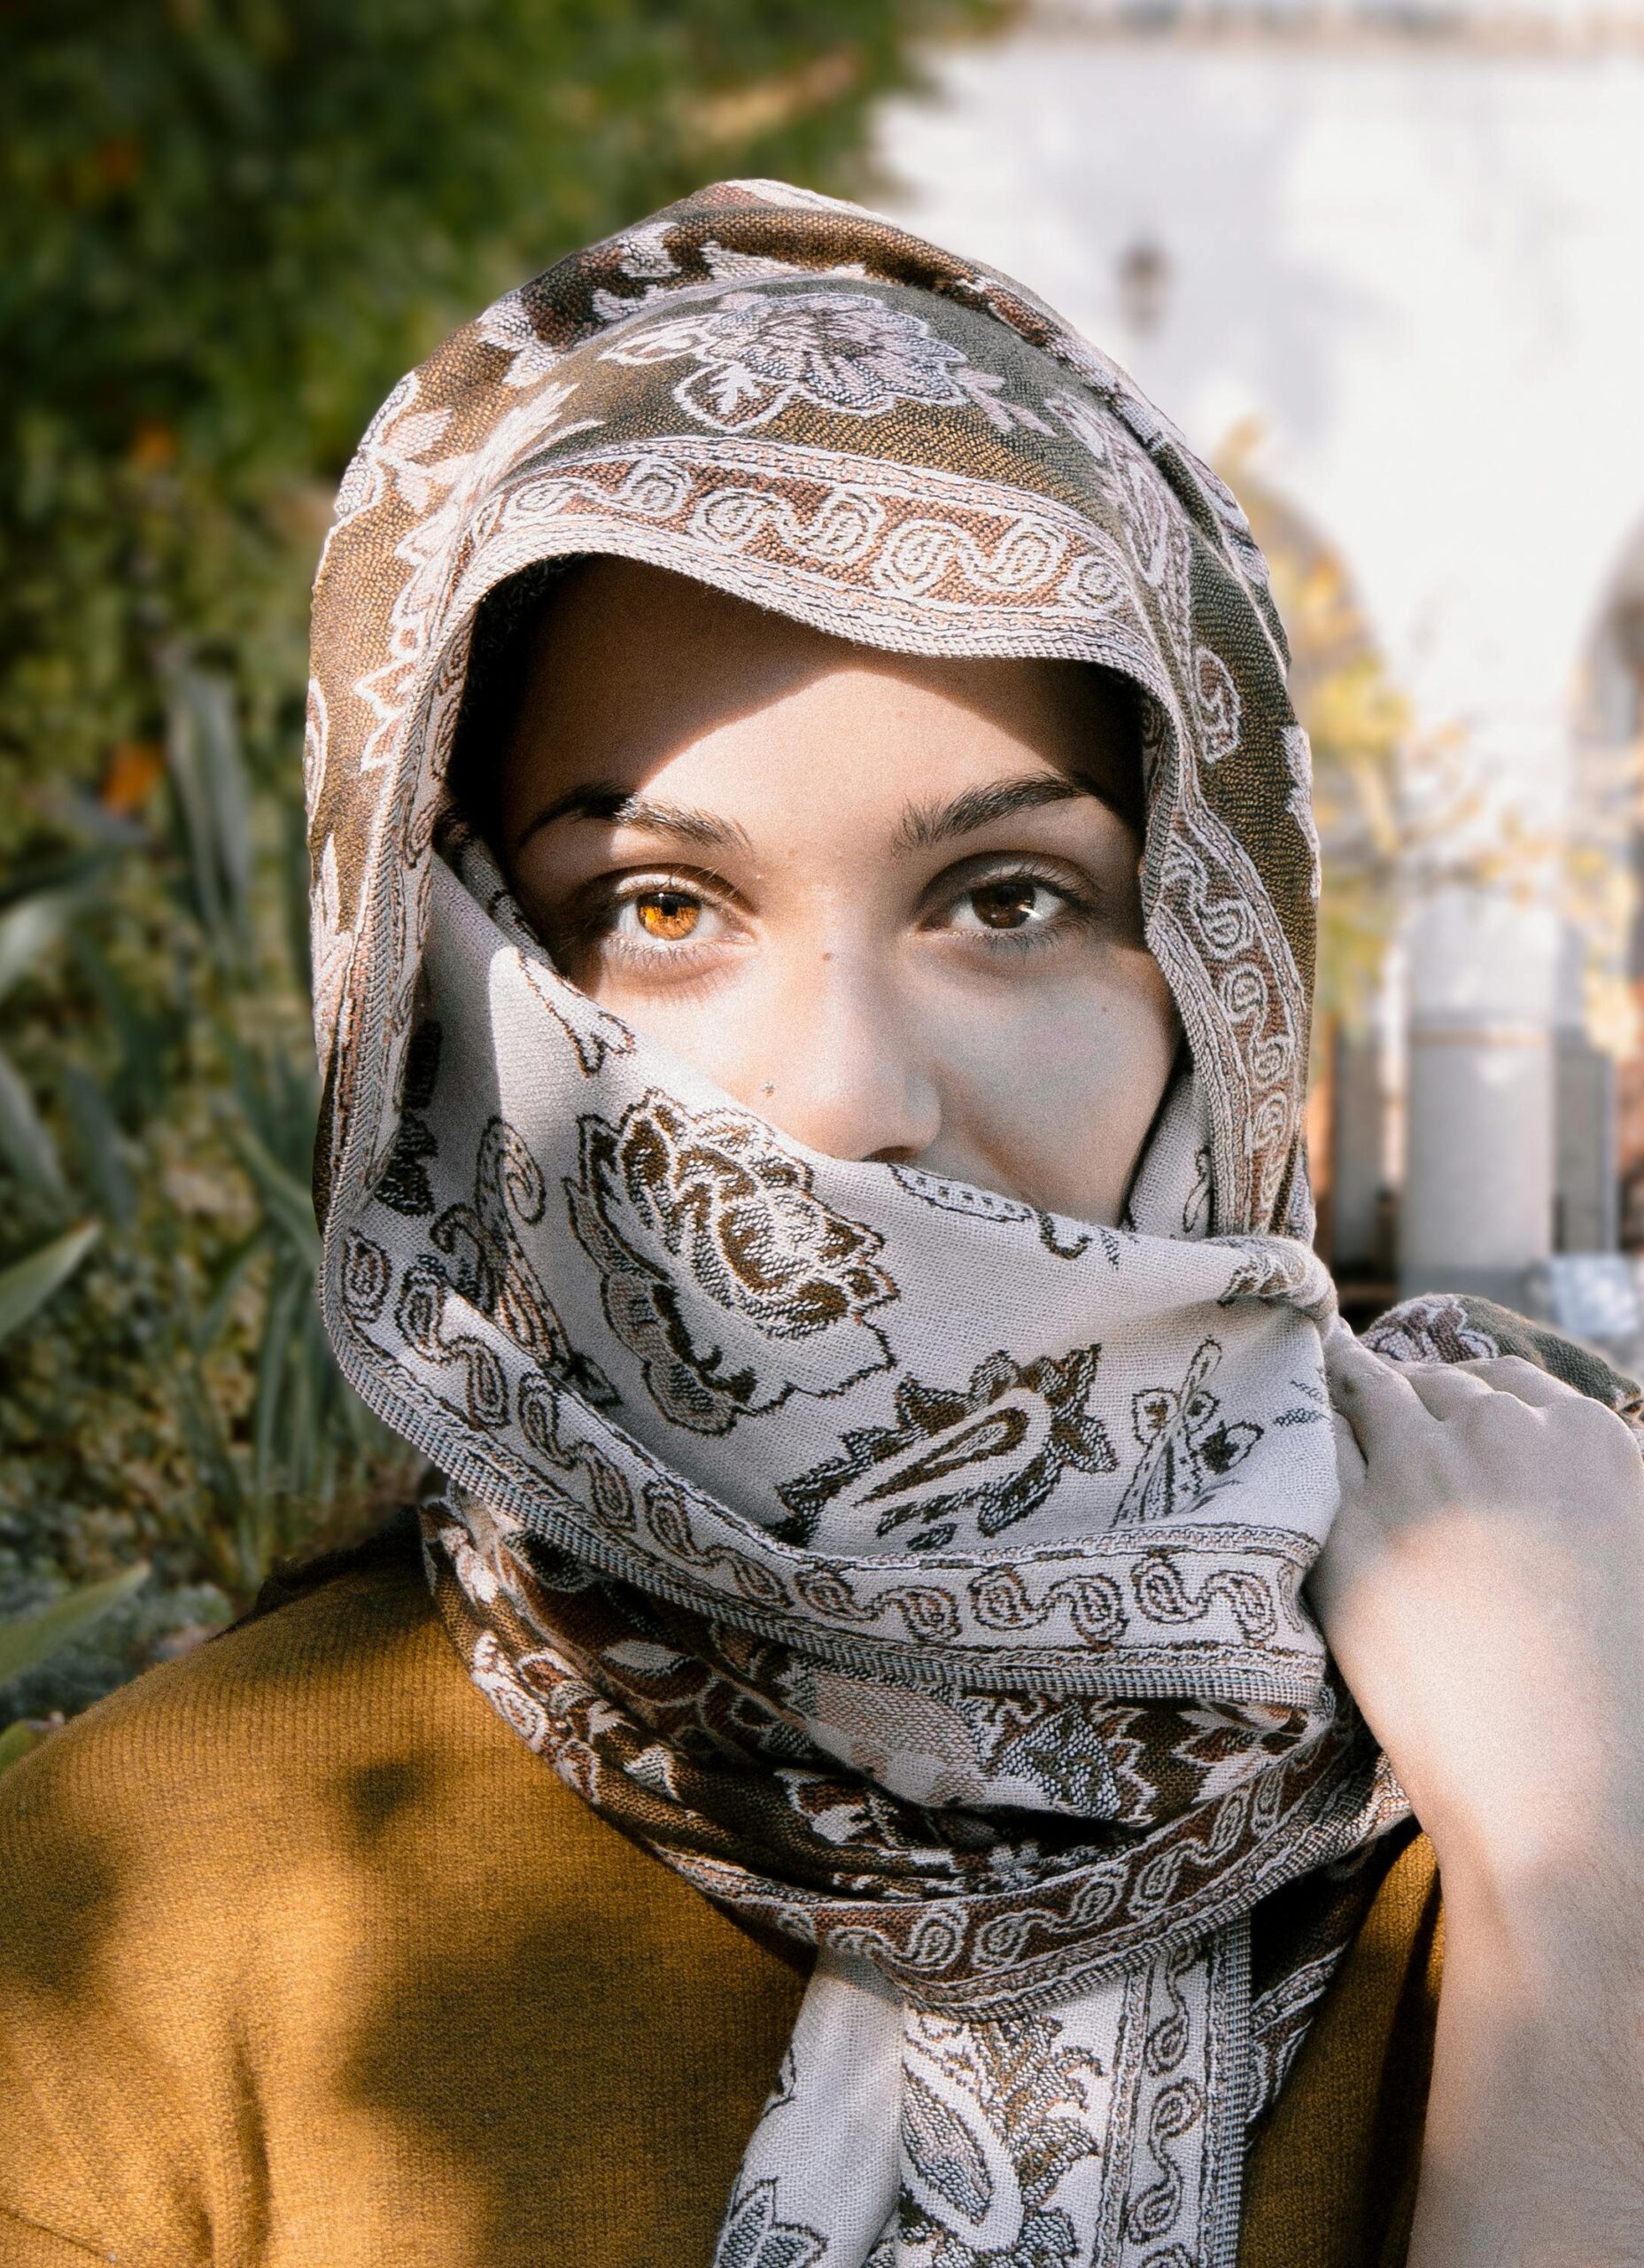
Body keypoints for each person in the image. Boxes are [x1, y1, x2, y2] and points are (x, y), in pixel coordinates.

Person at [4, 178, 1643, 2268]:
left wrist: (1581, 1898)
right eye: (661, 907)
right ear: (445, 994)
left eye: (1007, 899)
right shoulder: (144, 1922)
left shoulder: (1553, 1690)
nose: (855, 1094)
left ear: (1212, 984)